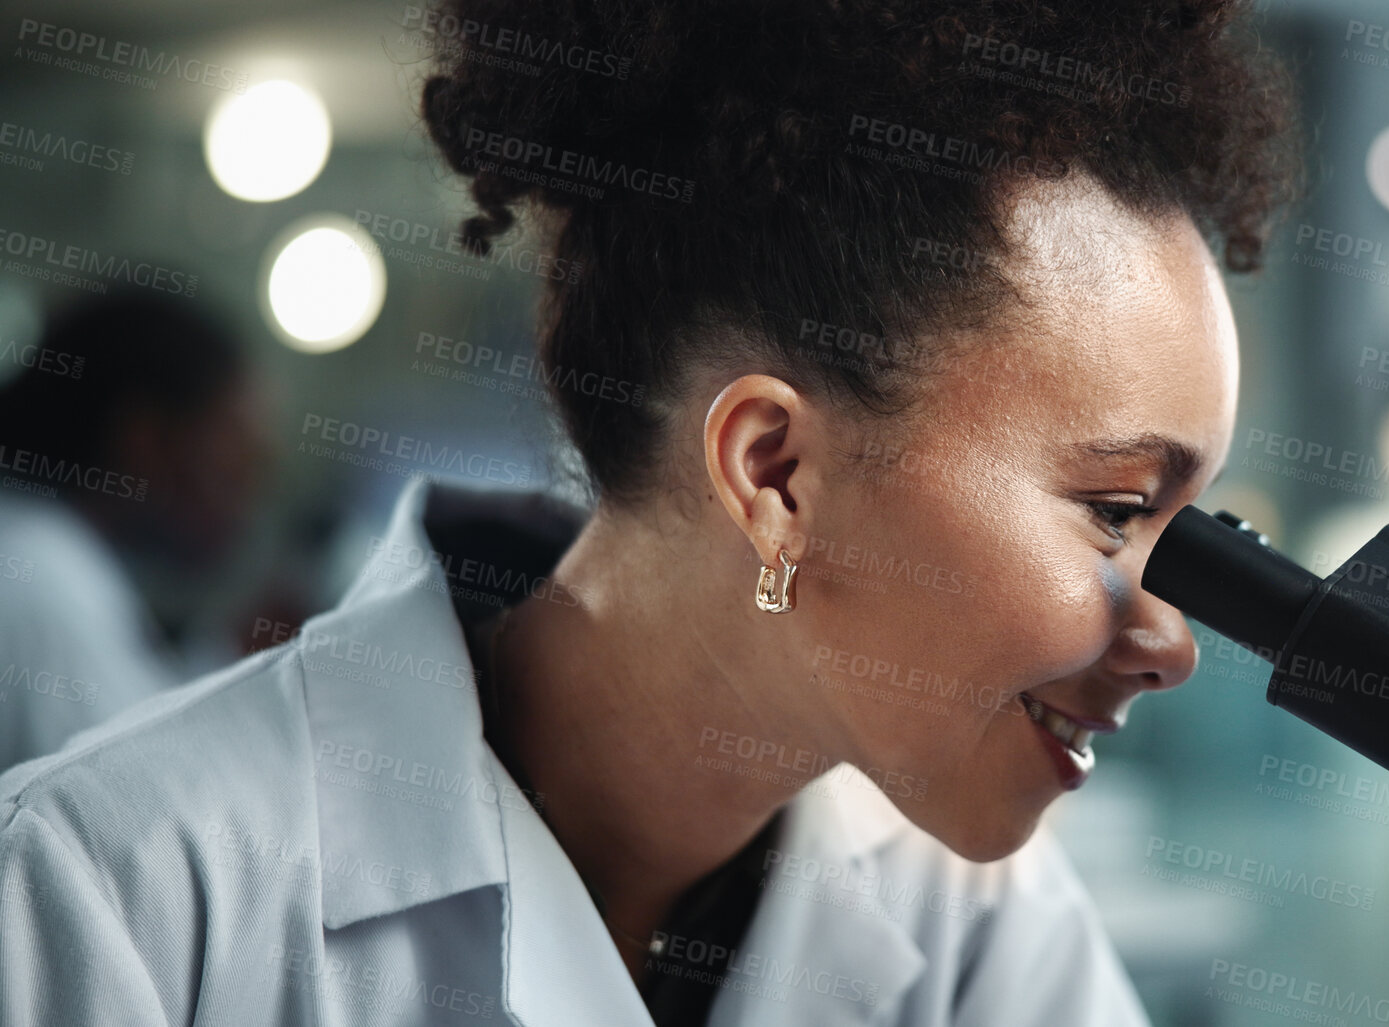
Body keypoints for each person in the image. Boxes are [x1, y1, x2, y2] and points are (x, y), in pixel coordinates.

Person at [0, 0, 1297, 1023]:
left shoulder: (968, 916)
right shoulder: (103, 892)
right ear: (775, 473)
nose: (1175, 640)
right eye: (1117, 507)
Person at [0, 290, 271, 771]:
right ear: (144, 440)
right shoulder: (44, 578)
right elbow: (147, 802)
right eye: (234, 469)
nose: (242, 509)